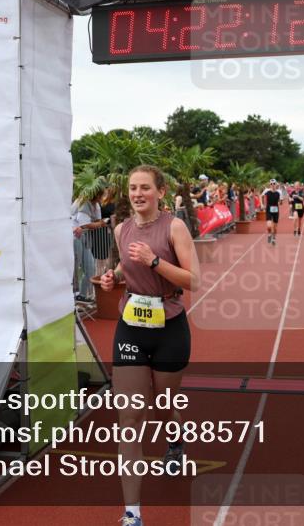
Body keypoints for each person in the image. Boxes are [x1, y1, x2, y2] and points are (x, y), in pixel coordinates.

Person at [99, 165, 200, 526]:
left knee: (162, 404)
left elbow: (194, 280)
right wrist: (115, 277)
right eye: (132, 188)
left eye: (145, 187)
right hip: (131, 327)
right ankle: (132, 513)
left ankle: (175, 442)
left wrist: (155, 262)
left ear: (160, 191)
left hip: (169, 327)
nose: (138, 193)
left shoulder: (174, 226)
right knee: (128, 418)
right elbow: (128, 265)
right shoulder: (120, 228)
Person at [260, 179, 282, 245]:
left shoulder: (279, 192)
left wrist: (280, 202)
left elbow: (281, 202)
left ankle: (274, 238)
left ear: (276, 184)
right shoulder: (267, 190)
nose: (272, 185)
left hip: (276, 210)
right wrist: (261, 204)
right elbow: (261, 196)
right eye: (271, 184)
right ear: (269, 185)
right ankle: (269, 234)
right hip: (269, 209)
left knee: (275, 227)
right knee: (269, 226)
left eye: (274, 183)